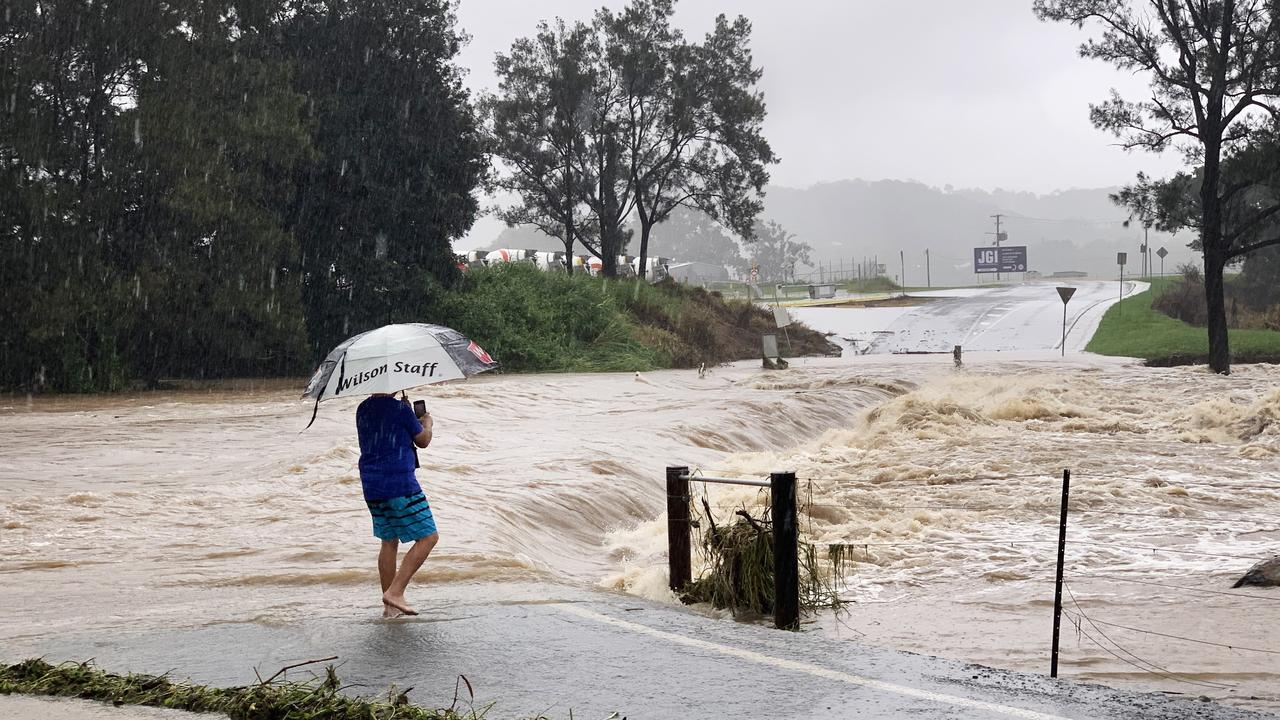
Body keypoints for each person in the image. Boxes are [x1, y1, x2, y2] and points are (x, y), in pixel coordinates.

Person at [355, 392, 437, 617]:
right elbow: (423, 441)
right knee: (429, 537)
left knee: (389, 541)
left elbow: (385, 434)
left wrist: (406, 413)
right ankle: (396, 592)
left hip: (372, 485)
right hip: (399, 483)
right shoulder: (399, 410)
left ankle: (390, 608)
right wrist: (426, 422)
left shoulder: (363, 408)